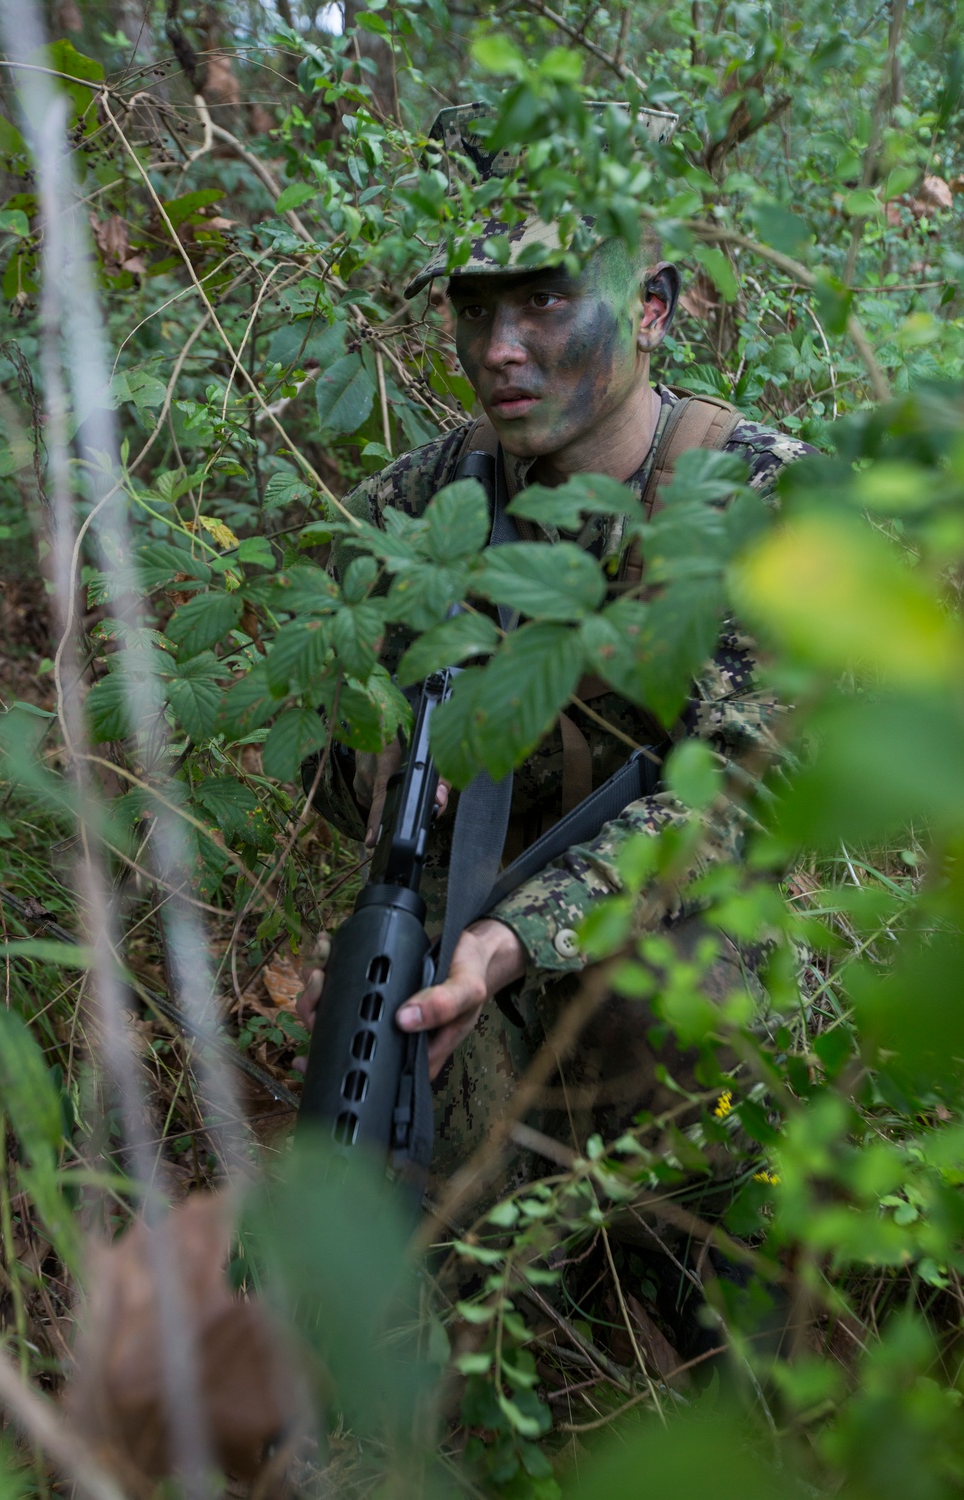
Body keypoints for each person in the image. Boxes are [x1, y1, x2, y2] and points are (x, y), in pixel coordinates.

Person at [298, 102, 813, 1205]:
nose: (498, 349)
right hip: (460, 956)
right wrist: (386, 774)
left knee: (684, 1017)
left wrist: (514, 938)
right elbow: (321, 759)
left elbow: (742, 792)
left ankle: (698, 1256)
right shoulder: (418, 502)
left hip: (664, 963)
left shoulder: (759, 496)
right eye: (476, 306)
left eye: (544, 299)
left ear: (652, 309)